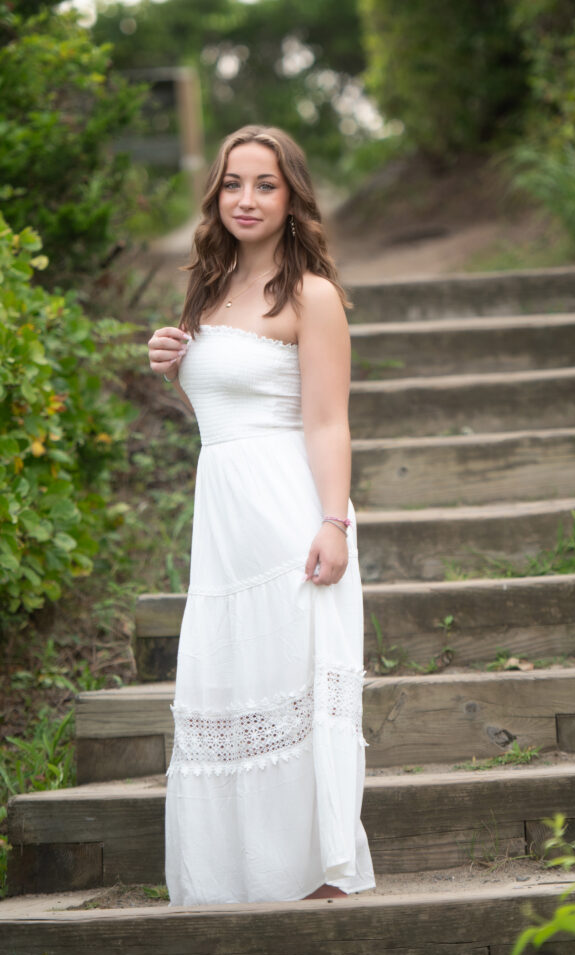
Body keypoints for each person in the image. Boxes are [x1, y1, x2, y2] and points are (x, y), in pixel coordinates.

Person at [147, 125, 375, 905]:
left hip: (292, 516)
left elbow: (326, 421)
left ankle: (316, 877)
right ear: (216, 194)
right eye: (234, 183)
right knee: (233, 688)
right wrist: (179, 370)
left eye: (265, 185)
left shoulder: (311, 295)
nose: (247, 199)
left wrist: (333, 522)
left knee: (297, 691)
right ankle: (244, 877)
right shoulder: (207, 291)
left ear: (291, 197)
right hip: (224, 528)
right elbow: (222, 419)